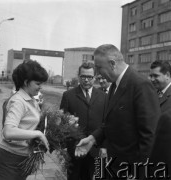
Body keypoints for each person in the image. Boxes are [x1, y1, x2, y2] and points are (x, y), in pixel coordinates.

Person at [75, 44, 161, 179]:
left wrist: (139, 172)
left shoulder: (140, 85)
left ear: (112, 64)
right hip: (115, 166)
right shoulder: (115, 85)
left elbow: (150, 135)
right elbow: (111, 122)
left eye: (98, 67)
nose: (97, 74)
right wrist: (92, 139)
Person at [0, 60, 49, 180]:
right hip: (8, 161)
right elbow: (8, 132)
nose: (40, 87)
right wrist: (37, 134)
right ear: (26, 82)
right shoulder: (18, 101)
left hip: (20, 160)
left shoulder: (31, 100)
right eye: (38, 83)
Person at [60, 62, 106, 180]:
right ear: (79, 76)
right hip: (75, 149)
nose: (86, 80)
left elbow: (106, 124)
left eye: (90, 77)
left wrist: (104, 146)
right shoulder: (68, 95)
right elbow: (62, 122)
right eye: (83, 76)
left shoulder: (104, 97)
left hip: (95, 149)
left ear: (95, 77)